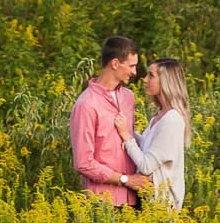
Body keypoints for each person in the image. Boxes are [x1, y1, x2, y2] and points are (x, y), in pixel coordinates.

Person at [69, 35, 143, 206]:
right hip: (102, 202)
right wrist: (125, 179)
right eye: (131, 66)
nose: (135, 72)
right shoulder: (86, 105)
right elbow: (83, 162)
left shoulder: (128, 98)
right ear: (115, 63)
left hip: (133, 199)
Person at [112, 56, 191, 209]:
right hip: (148, 200)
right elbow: (149, 148)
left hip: (160, 207)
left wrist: (126, 135)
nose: (145, 79)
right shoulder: (159, 114)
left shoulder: (172, 120)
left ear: (166, 82)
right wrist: (128, 131)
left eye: (151, 75)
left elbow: (147, 165)